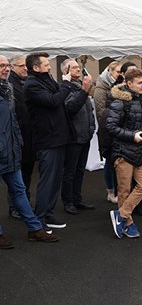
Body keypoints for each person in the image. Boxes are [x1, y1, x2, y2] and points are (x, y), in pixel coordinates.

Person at [25, 52, 91, 230]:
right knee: (48, 180)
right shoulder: (31, 85)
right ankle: (39, 219)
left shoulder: (47, 79)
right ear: (36, 67)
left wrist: (64, 84)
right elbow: (55, 101)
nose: (48, 66)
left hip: (59, 136)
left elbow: (59, 99)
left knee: (55, 179)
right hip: (48, 139)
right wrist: (66, 83)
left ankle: (48, 214)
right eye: (46, 64)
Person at [0, 55, 59, 248]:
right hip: (3, 150)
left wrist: (17, 143)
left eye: (7, 65)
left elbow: (13, 121)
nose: (5, 69)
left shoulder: (7, 90)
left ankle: (34, 229)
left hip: (10, 152)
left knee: (19, 190)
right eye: (1, 66)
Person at [107, 68, 142, 239]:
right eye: (140, 83)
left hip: (141, 151)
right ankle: (128, 223)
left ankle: (120, 215)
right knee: (124, 191)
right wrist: (132, 136)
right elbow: (110, 126)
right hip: (123, 152)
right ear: (129, 83)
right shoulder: (119, 101)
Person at [60, 59, 96, 214]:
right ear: (65, 71)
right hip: (74, 136)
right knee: (70, 171)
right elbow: (70, 108)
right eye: (74, 67)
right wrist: (85, 90)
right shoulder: (65, 87)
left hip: (85, 135)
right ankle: (68, 201)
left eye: (78, 67)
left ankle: (77, 199)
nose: (78, 69)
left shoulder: (80, 85)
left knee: (80, 170)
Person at [6, 55, 33, 220]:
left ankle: (24, 203)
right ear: (13, 67)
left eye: (26, 66)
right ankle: (14, 206)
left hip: (29, 136)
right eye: (21, 66)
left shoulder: (26, 83)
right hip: (16, 136)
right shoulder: (10, 85)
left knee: (27, 172)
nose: (25, 68)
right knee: (16, 174)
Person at [93, 60, 122, 204]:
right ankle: (110, 191)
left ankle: (116, 190)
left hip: (116, 129)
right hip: (107, 131)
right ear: (110, 71)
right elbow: (100, 112)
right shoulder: (101, 88)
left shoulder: (115, 85)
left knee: (115, 162)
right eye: (117, 72)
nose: (120, 74)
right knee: (109, 162)